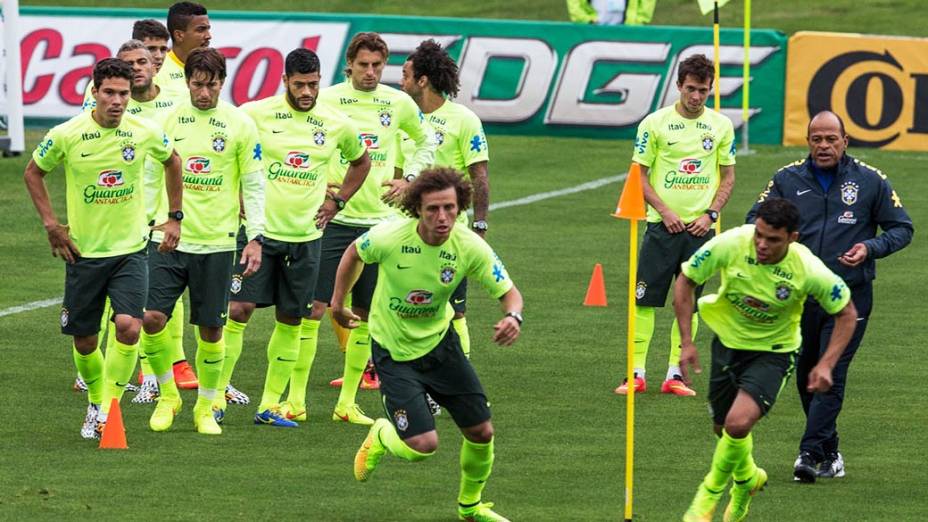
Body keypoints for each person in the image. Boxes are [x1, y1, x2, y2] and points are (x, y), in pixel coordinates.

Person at [336, 167, 522, 522]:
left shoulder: (468, 246)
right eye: (433, 209)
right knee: (423, 446)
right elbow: (353, 253)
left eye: (450, 208)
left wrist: (513, 317)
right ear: (417, 209)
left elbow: (510, 294)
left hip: (441, 347)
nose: (443, 217)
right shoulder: (390, 237)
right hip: (393, 352)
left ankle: (471, 507)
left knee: (482, 431)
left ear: (460, 207)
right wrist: (337, 302)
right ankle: (382, 434)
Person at [746, 111, 913, 483]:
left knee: (831, 372)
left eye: (830, 139)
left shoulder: (870, 181)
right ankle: (830, 450)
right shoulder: (787, 180)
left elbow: (903, 228)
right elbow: (752, 220)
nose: (823, 146)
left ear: (845, 141)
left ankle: (808, 453)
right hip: (798, 296)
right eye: (816, 139)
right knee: (807, 373)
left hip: (849, 299)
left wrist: (870, 247)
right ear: (808, 142)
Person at [24, 58, 182, 439]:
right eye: (109, 92)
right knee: (85, 340)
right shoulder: (67, 134)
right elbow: (33, 172)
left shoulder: (144, 131)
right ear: (94, 92)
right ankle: (96, 400)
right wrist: (51, 224)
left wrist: (175, 215)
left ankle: (108, 408)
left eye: (123, 94)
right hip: (84, 253)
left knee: (129, 326)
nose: (116, 101)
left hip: (130, 249)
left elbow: (173, 161)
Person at [675, 198, 857, 522]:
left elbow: (846, 313)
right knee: (723, 429)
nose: (761, 244)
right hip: (727, 345)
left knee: (738, 422)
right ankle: (747, 480)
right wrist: (686, 342)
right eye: (759, 234)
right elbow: (686, 280)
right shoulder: (732, 242)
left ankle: (707, 497)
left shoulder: (807, 268)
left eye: (772, 239)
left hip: (774, 352)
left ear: (793, 238)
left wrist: (826, 363)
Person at [215, 48, 371, 427]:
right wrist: (234, 193)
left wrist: (338, 201)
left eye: (313, 85)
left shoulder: (335, 123)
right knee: (238, 311)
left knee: (293, 319)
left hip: (306, 237)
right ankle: (215, 397)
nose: (306, 92)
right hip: (259, 235)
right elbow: (227, 150)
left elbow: (361, 161)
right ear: (285, 80)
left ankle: (269, 406)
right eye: (299, 84)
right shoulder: (254, 114)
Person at [309, 32, 435, 426]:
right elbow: (309, 142)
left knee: (364, 312)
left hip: (379, 223)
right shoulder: (327, 99)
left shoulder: (397, 103)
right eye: (363, 65)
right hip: (336, 220)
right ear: (349, 64)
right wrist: (317, 182)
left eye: (377, 66)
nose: (370, 72)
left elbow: (425, 139)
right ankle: (293, 400)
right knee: (314, 308)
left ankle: (347, 403)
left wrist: (410, 178)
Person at [140, 47, 265, 436]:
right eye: (197, 85)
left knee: (211, 330)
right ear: (188, 82)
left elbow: (254, 183)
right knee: (151, 318)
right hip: (167, 240)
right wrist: (144, 223)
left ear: (221, 83)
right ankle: (167, 396)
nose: (204, 93)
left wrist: (256, 237)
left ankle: (206, 407)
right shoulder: (168, 119)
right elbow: (148, 174)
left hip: (217, 242)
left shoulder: (240, 124)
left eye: (211, 86)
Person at [616, 53, 735, 397]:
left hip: (700, 231)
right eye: (691, 89)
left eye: (703, 90)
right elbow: (638, 176)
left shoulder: (721, 126)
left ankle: (675, 375)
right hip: (660, 227)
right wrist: (666, 212)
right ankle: (635, 372)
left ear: (711, 89)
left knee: (691, 301)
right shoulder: (654, 124)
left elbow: (728, 177)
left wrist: (710, 215)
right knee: (644, 300)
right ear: (679, 86)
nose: (696, 97)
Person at [399, 39, 490, 363]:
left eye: (406, 74)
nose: (401, 81)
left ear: (422, 80)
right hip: (404, 229)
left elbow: (479, 175)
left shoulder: (463, 120)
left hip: (446, 232)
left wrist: (479, 225)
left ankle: (458, 377)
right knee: (402, 304)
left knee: (453, 311)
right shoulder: (402, 117)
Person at [157, 2, 211, 102]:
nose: (208, 36)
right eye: (201, 30)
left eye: (208, 29)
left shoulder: (211, 66)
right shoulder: (158, 71)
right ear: (179, 35)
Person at [565, 0, 656, 25]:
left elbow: (647, 3)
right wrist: (587, 21)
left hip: (627, 31)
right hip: (594, 31)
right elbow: (574, 4)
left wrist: (638, 22)